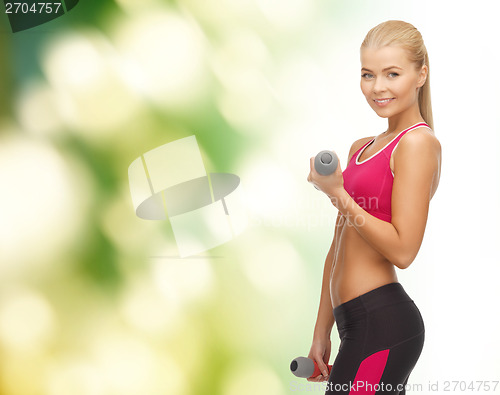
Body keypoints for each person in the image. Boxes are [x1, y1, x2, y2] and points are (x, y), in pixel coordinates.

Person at [306, 20, 441, 394]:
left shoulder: (417, 144)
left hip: (383, 322)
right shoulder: (361, 148)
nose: (377, 87)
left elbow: (403, 249)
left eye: (392, 74)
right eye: (368, 74)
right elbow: (337, 247)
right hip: (352, 321)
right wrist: (322, 332)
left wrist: (338, 195)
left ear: (420, 75)